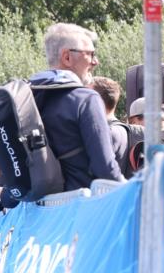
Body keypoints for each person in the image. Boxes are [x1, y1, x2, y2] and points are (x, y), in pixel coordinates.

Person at [28, 23, 122, 191]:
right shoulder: (86, 99)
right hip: (81, 202)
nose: (96, 61)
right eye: (90, 54)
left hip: (37, 204)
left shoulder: (30, 99)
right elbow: (106, 170)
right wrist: (133, 191)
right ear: (67, 57)